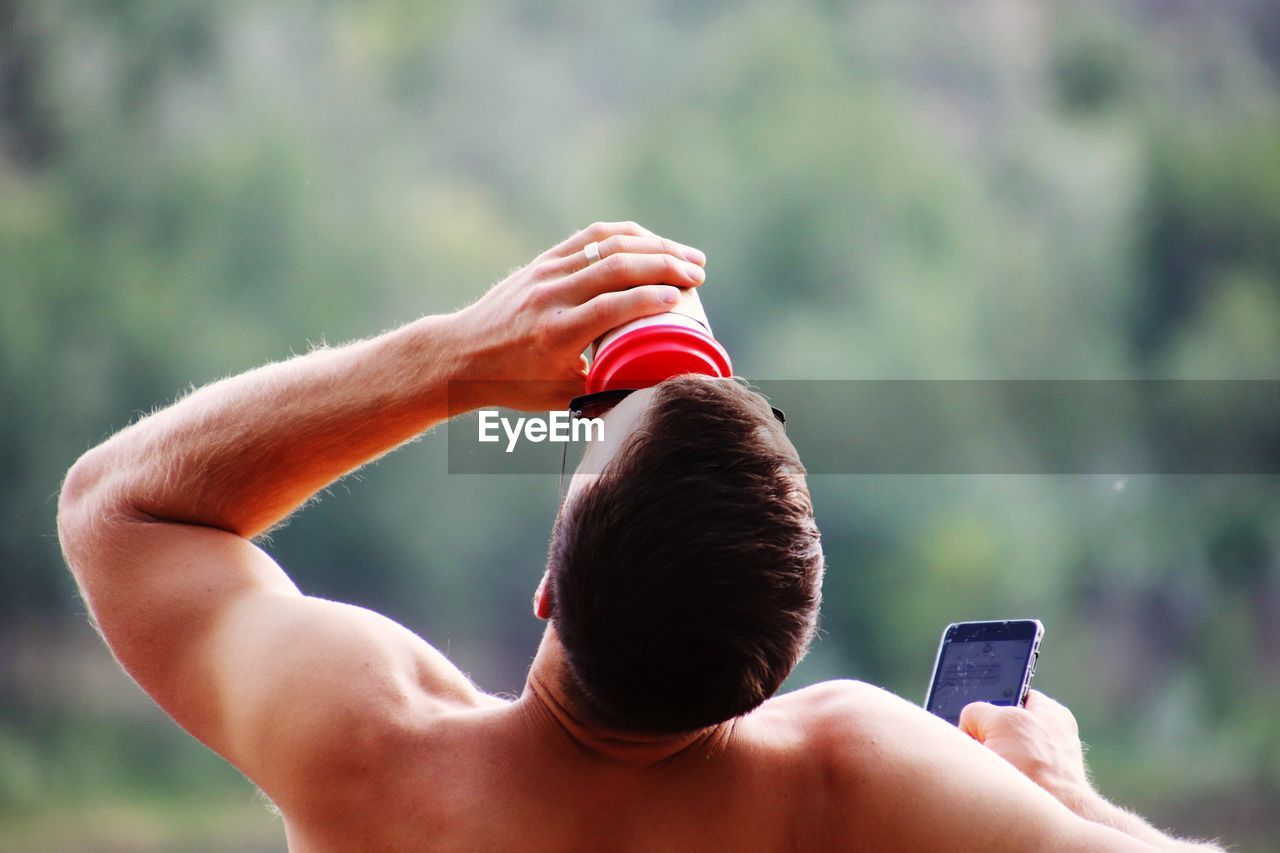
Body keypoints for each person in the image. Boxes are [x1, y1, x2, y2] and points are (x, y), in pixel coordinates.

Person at [58, 221, 1221, 851]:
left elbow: (116, 508)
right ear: (772, 667)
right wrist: (1069, 806)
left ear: (545, 594)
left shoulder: (374, 761)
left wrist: (451, 361)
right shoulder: (856, 781)